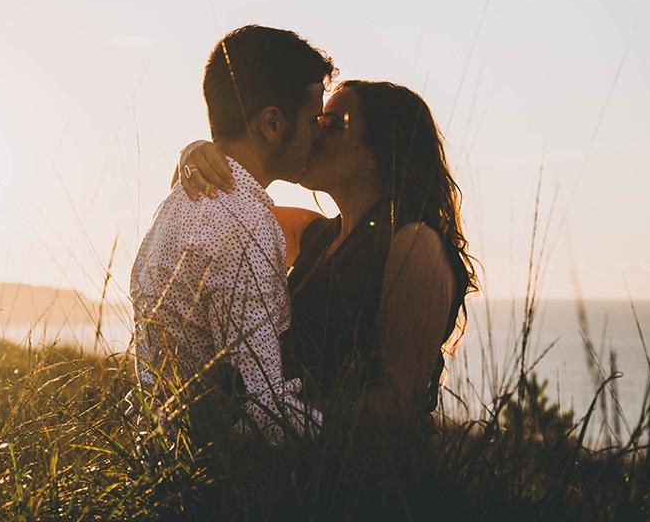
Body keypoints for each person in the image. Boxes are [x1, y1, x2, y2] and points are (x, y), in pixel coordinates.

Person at [177, 80, 477, 431]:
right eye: (316, 122)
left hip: (357, 478)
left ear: (375, 155)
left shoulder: (415, 244)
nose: (313, 136)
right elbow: (215, 212)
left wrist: (266, 426)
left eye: (332, 126)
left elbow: (398, 402)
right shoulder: (317, 235)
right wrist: (195, 153)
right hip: (286, 462)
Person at [124, 24, 335, 444]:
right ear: (272, 124)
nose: (318, 133)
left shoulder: (179, 203)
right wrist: (357, 446)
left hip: (165, 456)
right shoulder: (244, 227)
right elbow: (260, 407)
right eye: (314, 119)